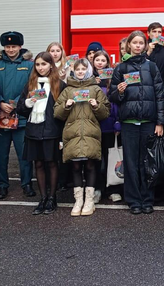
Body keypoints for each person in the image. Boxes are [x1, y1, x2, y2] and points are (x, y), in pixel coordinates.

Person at [109, 31, 164, 215]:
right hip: (129, 123)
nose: (138, 46)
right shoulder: (121, 68)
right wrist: (120, 91)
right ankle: (133, 200)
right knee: (131, 163)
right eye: (135, 43)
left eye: (141, 43)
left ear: (145, 45)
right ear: (129, 45)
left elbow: (160, 95)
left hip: (149, 122)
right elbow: (112, 97)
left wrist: (160, 122)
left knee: (147, 162)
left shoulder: (152, 67)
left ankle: (147, 199)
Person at [55, 59, 111, 217]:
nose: (80, 71)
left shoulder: (95, 89)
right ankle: (78, 200)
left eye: (83, 69)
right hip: (72, 133)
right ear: (74, 70)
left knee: (91, 166)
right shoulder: (67, 90)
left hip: (90, 132)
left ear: (88, 70)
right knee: (76, 167)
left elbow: (105, 112)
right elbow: (57, 113)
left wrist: (96, 106)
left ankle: (89, 201)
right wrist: (66, 106)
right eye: (77, 69)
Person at [16, 52, 65, 215]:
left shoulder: (60, 84)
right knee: (38, 163)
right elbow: (20, 108)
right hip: (33, 130)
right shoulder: (31, 84)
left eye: (44, 64)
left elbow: (63, 111)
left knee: (51, 163)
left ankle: (52, 198)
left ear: (51, 65)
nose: (40, 67)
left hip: (51, 130)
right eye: (37, 64)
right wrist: (29, 102)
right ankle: (43, 198)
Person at [0, 31, 35, 199]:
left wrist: (16, 103)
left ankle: (27, 184)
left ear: (20, 47)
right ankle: (2, 185)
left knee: (24, 154)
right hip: (1, 116)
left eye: (14, 46)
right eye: (7, 46)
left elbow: (32, 87)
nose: (10, 49)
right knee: (0, 155)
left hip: (21, 116)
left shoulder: (29, 65)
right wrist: (1, 102)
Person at [92, 50, 122, 203]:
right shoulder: (89, 79)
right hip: (94, 127)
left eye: (103, 60)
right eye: (97, 60)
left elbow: (116, 101)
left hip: (110, 126)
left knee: (112, 159)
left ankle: (113, 189)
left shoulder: (112, 80)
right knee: (96, 160)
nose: (100, 63)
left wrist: (117, 121)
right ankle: (97, 189)